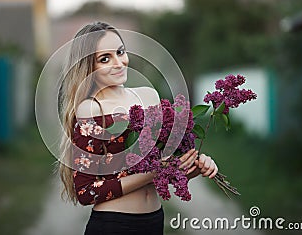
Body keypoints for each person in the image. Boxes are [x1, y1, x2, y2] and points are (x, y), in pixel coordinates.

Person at [58, 21, 218, 235]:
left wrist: (193, 167)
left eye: (120, 52)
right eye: (105, 59)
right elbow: (86, 192)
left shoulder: (148, 95)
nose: (118, 63)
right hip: (114, 226)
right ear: (88, 67)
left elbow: (162, 173)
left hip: (153, 222)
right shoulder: (91, 109)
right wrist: (155, 172)